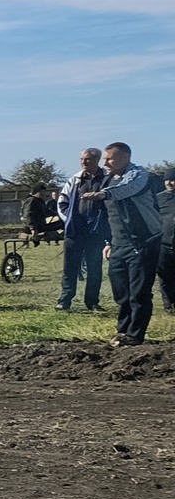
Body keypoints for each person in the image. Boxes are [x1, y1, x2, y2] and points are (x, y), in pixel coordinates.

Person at [78, 141, 163, 347]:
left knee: (139, 292)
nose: (105, 162)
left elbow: (127, 189)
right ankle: (122, 331)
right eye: (104, 158)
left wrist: (104, 194)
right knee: (121, 292)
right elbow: (107, 215)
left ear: (125, 158)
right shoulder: (108, 178)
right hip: (118, 244)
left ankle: (134, 335)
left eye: (109, 158)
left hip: (143, 242)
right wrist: (108, 242)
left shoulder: (138, 175)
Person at [56, 147, 109, 312]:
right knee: (70, 267)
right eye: (82, 159)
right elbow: (62, 202)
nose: (83, 162)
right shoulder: (75, 179)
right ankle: (64, 301)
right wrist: (69, 220)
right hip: (75, 231)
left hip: (96, 232)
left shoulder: (107, 179)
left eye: (87, 159)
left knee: (94, 268)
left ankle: (92, 302)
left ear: (97, 160)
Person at [159, 177, 175, 312]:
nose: (169, 183)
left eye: (173, 179)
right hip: (164, 244)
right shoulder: (158, 199)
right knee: (165, 275)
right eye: (167, 179)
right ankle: (168, 305)